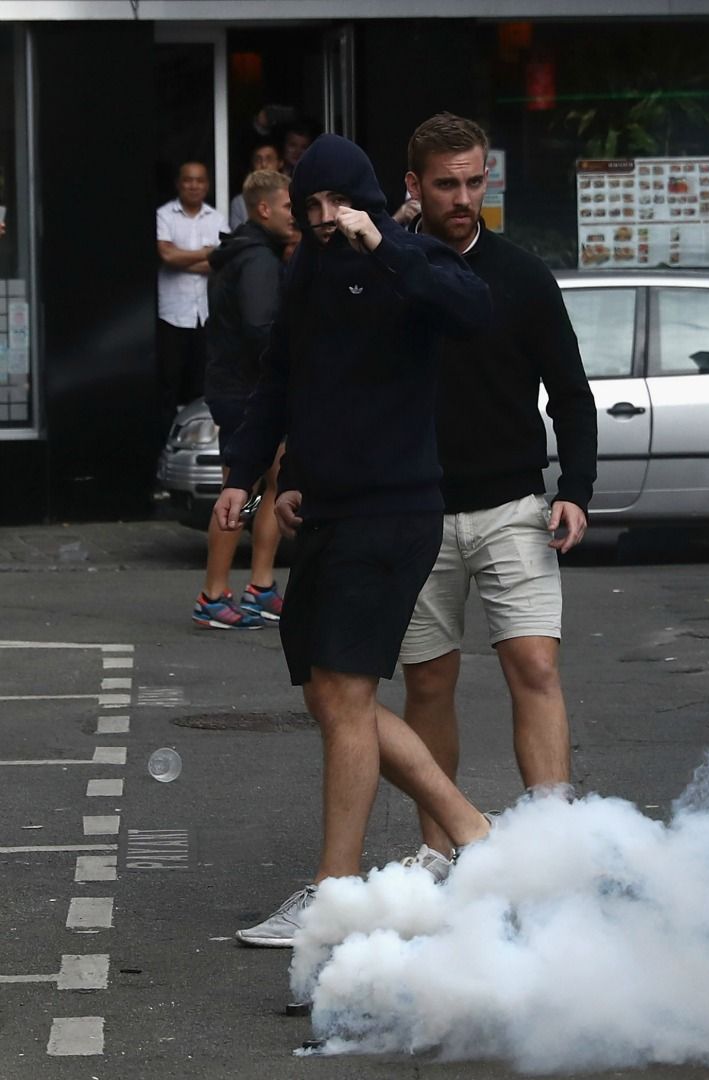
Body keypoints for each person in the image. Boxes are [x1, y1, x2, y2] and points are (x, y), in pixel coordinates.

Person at [213, 133, 495, 948]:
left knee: (345, 697)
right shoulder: (307, 274)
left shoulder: (405, 258)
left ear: (367, 199)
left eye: (339, 203)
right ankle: (470, 831)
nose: (328, 218)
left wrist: (388, 245)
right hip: (328, 511)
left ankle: (336, 898)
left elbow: (472, 309)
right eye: (314, 207)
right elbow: (285, 381)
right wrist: (247, 475)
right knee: (333, 697)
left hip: (393, 512)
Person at [394, 113, 597, 878]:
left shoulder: (521, 274)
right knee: (428, 682)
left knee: (536, 668)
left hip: (515, 505)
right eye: (446, 183)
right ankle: (439, 849)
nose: (463, 196)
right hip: (415, 509)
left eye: (475, 181)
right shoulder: (392, 270)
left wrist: (574, 490)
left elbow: (572, 393)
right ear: (415, 185)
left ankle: (552, 848)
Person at [196, 169, 297, 630]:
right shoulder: (257, 259)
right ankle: (213, 595)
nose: (296, 217)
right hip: (245, 394)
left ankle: (260, 586)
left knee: (272, 483)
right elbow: (261, 328)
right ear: (263, 209)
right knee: (242, 491)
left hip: (242, 389)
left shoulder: (248, 252)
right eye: (289, 208)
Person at [155, 161, 224, 415]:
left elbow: (222, 263)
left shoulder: (217, 218)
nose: (194, 185)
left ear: (207, 185)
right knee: (168, 385)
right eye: (188, 180)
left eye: (200, 180)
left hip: (204, 315)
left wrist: (182, 258)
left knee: (200, 386)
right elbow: (167, 257)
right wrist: (206, 253)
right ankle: (164, 445)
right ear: (178, 184)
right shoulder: (163, 215)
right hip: (172, 314)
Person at [227, 139, 284, 230]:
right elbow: (238, 238)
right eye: (258, 160)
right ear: (252, 165)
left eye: (269, 159)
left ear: (280, 163)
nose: (263, 165)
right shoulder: (240, 202)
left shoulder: (290, 197)